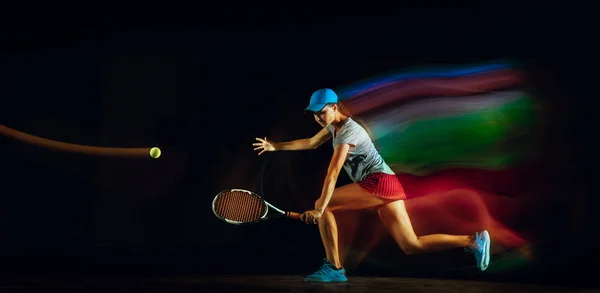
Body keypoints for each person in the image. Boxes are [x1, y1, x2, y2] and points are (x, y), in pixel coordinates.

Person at [253, 88, 491, 282]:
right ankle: (473, 241)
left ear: (334, 107)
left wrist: (319, 209)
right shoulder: (333, 127)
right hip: (388, 183)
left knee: (324, 205)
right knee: (411, 244)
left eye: (322, 112)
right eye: (314, 114)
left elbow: (333, 173)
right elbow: (311, 143)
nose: (318, 118)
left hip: (379, 182)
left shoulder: (348, 132)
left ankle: (334, 268)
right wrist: (276, 146)